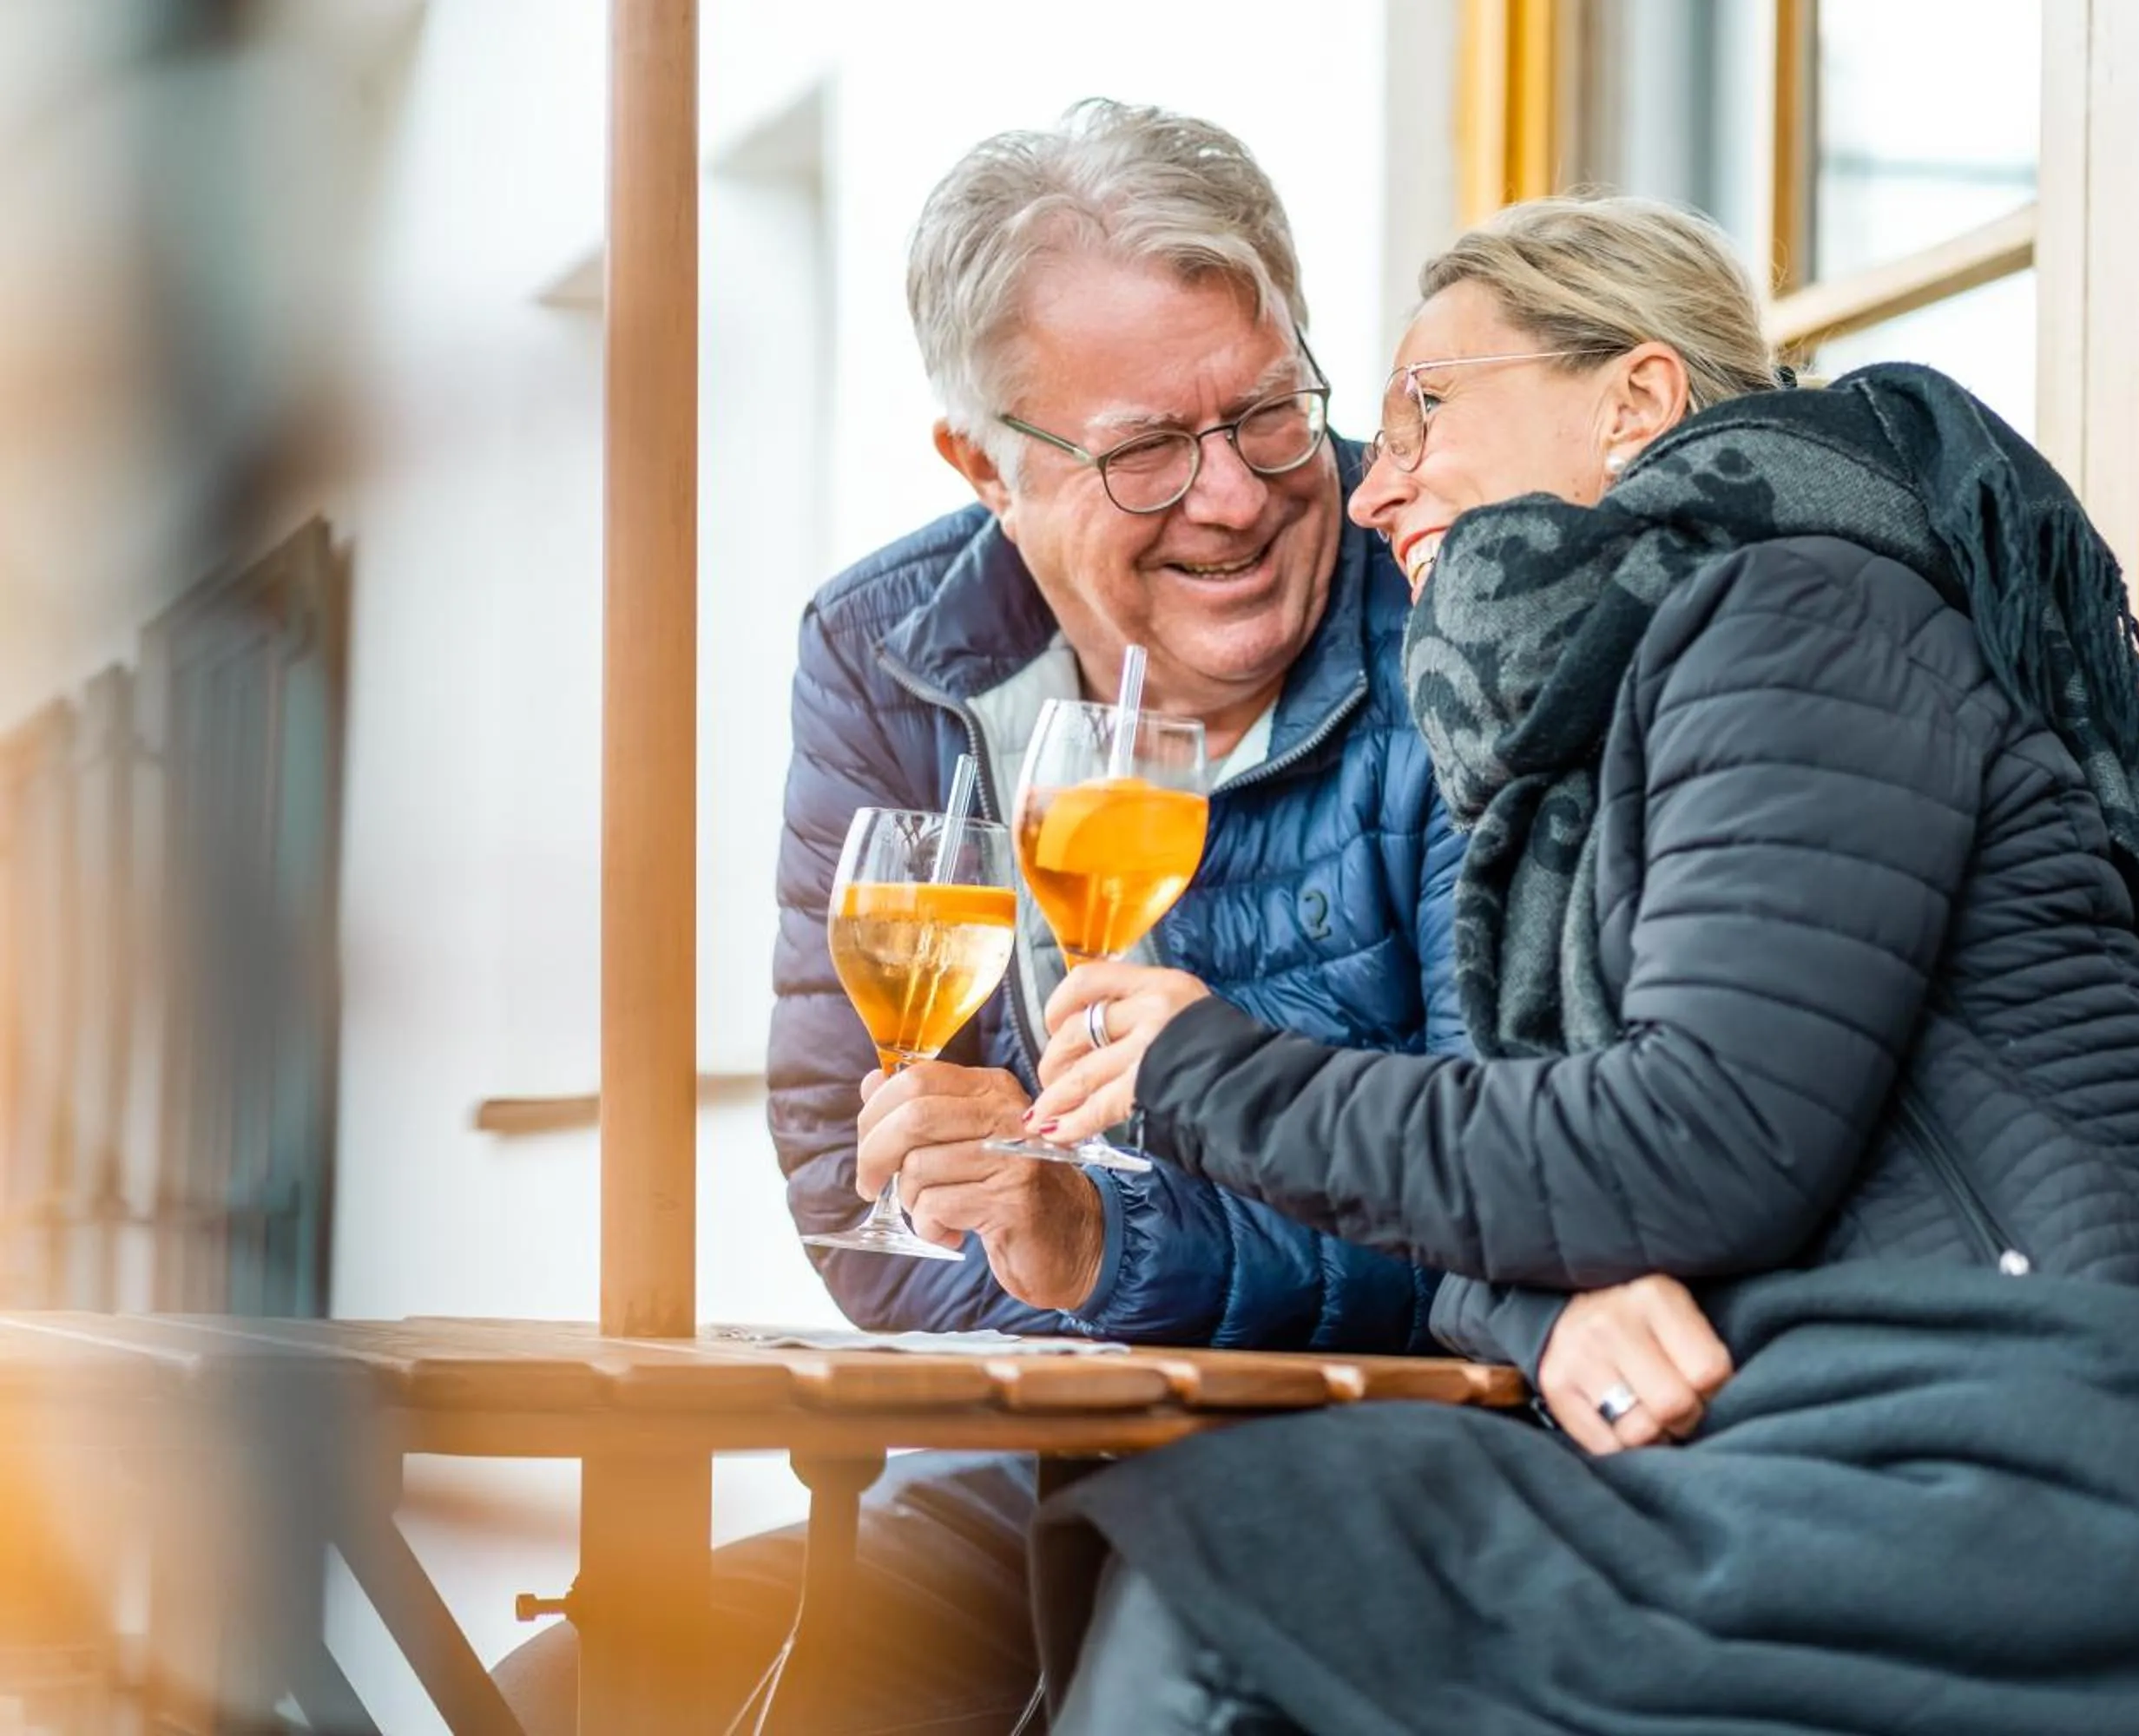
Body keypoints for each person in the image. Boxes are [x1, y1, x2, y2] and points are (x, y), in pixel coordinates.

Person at [1016, 194, 2139, 1734]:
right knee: (1235, 1553)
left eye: (1423, 406)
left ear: (1638, 398)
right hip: (1891, 1457)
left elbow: (1695, 1141)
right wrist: (1546, 1317)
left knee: (1246, 1560)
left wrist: (1205, 1067)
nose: (1377, 481)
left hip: (2075, 1471)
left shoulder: (1800, 614)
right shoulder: (1596, 744)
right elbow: (1544, 1173)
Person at [493, 102, 1465, 1734]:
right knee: (576, 1691)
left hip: (1369, 1460)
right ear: (981, 464)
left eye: (1273, 415)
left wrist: (1104, 1246)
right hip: (1019, 1445)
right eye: (1148, 450)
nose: (1234, 498)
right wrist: (1031, 1267)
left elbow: (1501, 1181)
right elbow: (842, 1157)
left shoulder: (1449, 605)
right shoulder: (890, 651)